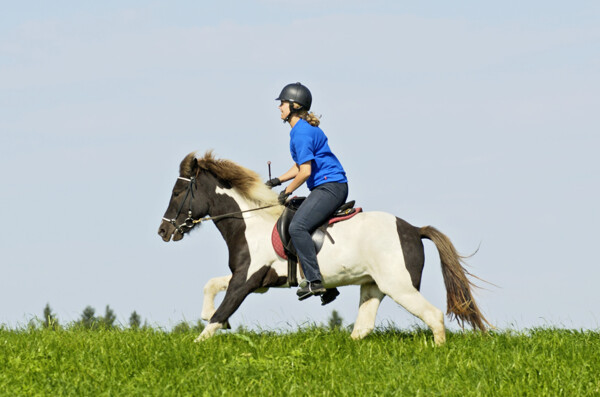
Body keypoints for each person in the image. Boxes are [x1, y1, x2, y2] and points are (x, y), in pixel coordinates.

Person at [266, 82, 349, 301]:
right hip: (327, 186)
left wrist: (286, 192)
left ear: (294, 105)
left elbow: (305, 172)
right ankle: (326, 284)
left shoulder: (300, 133)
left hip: (330, 187)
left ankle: (315, 281)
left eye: (282, 103)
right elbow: (300, 165)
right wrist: (276, 180)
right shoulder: (301, 130)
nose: (279, 107)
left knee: (298, 227)